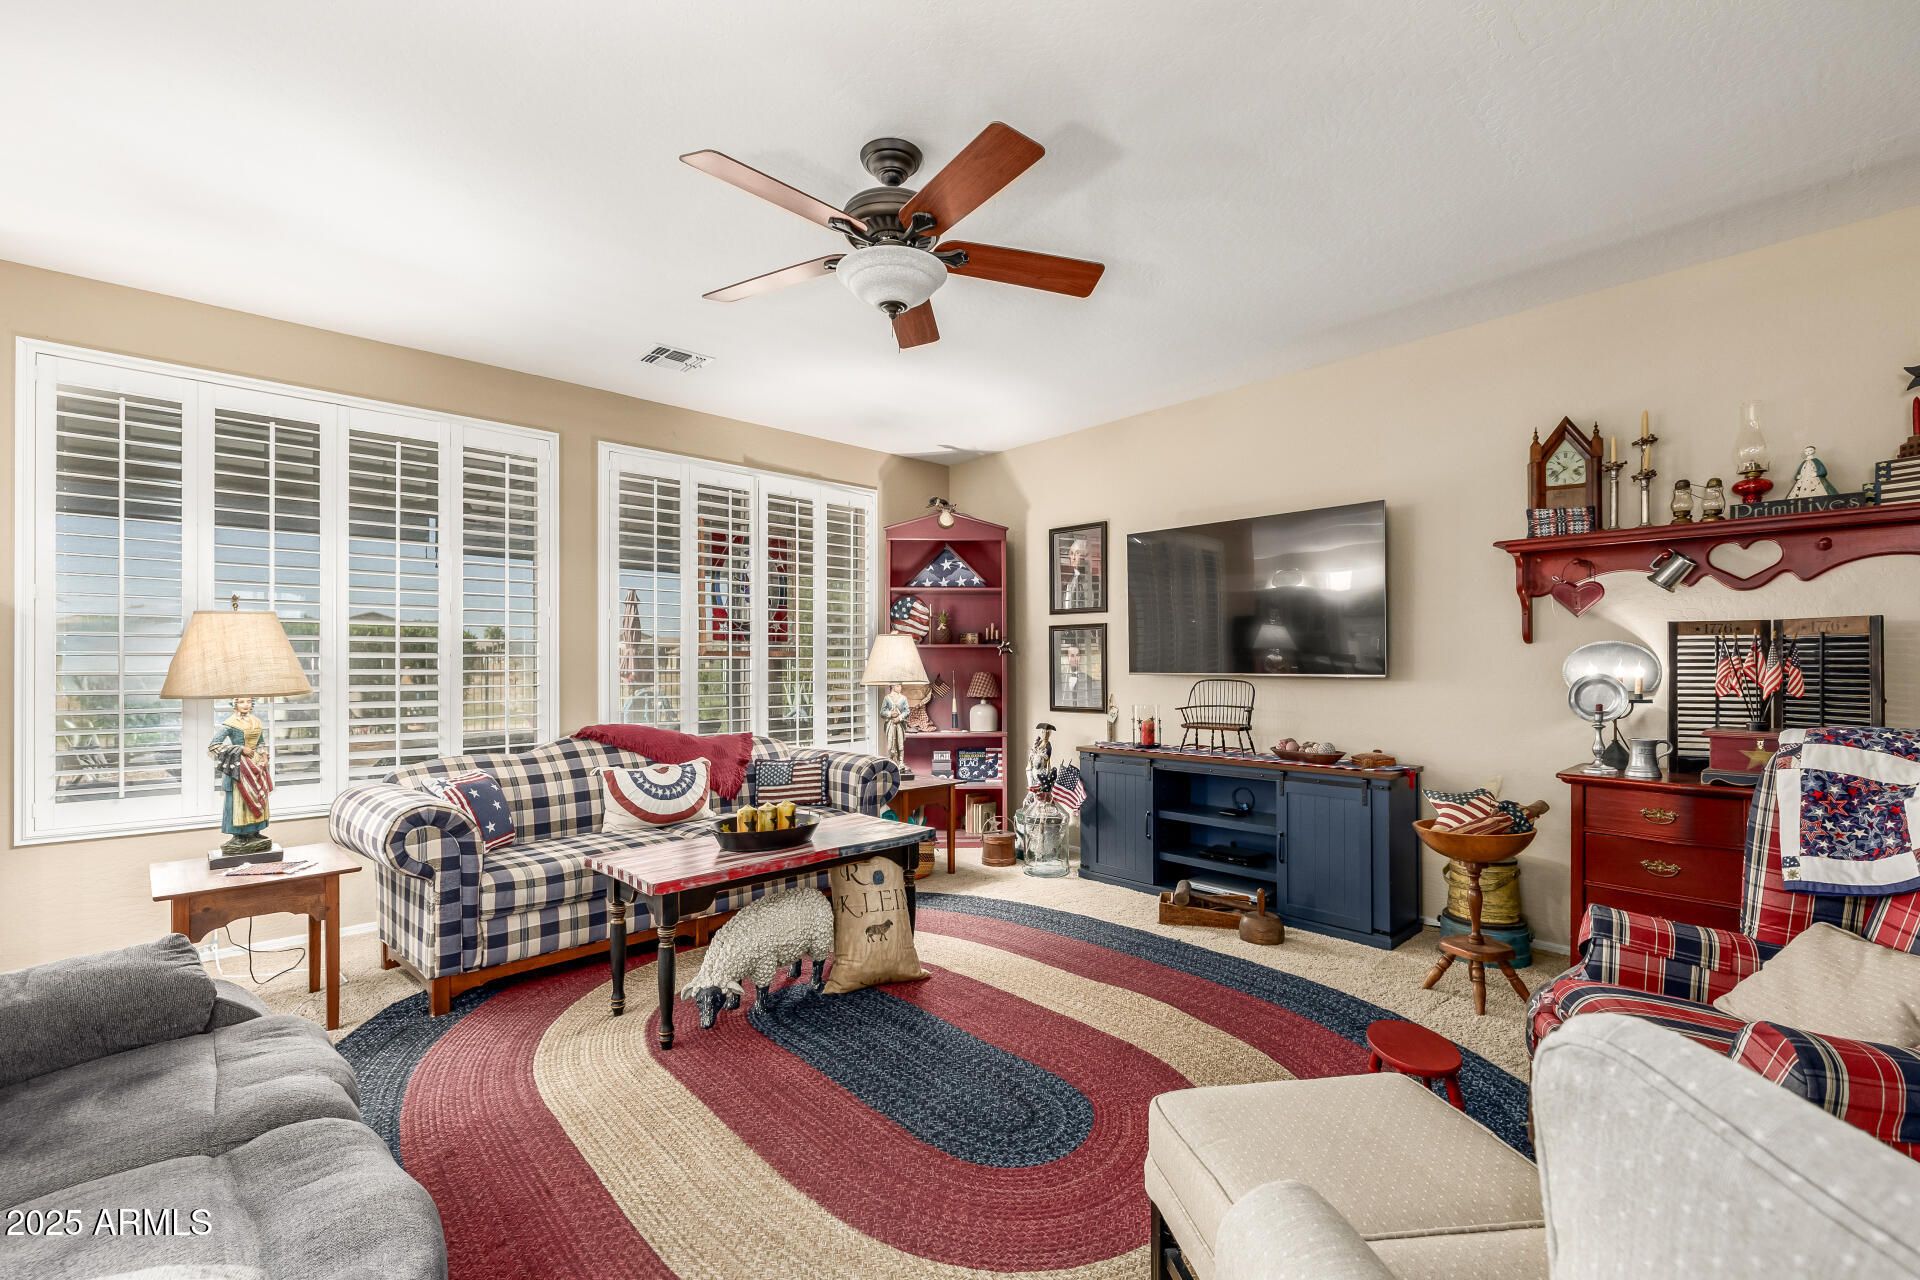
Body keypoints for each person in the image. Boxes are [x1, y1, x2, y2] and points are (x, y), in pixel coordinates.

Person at [209, 695, 274, 855]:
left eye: (249, 701)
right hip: (240, 768)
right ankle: (240, 835)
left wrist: (264, 756)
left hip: (256, 765)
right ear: (235, 704)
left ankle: (255, 831)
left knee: (259, 796)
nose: (246, 705)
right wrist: (240, 749)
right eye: (242, 702)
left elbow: (260, 742)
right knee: (240, 800)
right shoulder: (230, 724)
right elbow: (214, 746)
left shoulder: (256, 721)